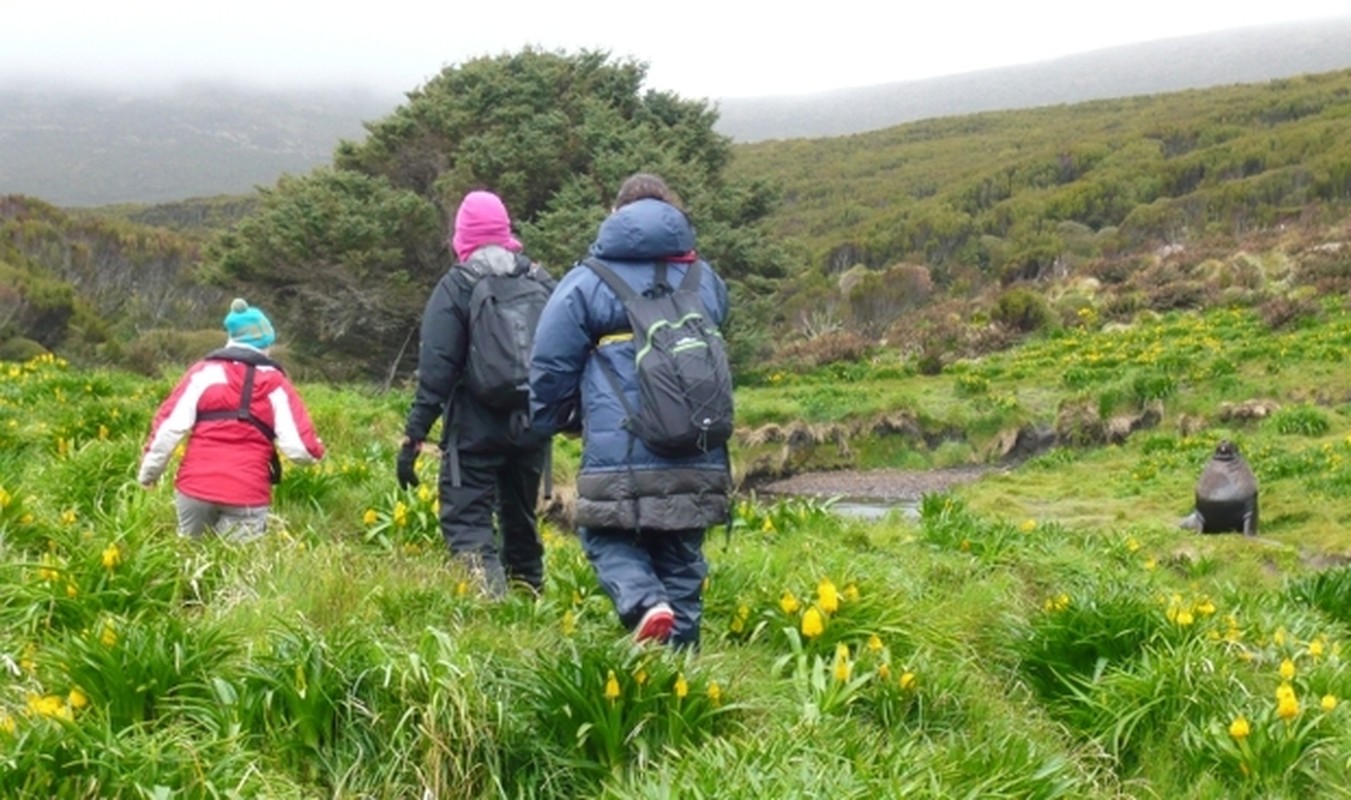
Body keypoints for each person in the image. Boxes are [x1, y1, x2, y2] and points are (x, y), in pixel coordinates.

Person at [529, 173, 732, 647]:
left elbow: (550, 363)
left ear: (616, 215)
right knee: (682, 563)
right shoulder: (706, 280)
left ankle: (643, 603)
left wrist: (556, 420)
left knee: (604, 535)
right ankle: (681, 690)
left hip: (619, 446)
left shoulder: (588, 281)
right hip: (697, 447)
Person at [398, 190, 555, 598]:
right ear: (506, 231)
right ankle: (529, 601)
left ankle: (490, 612)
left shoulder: (456, 286)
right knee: (520, 517)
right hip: (532, 425)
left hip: (473, 430)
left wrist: (415, 436)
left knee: (468, 522)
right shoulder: (539, 279)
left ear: (462, 235)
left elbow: (437, 370)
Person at [138, 298, 326, 541]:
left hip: (195, 490)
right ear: (265, 342)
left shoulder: (202, 373)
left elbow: (168, 428)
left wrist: (148, 474)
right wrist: (318, 451)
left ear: (232, 338)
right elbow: (301, 450)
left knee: (189, 560)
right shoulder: (275, 383)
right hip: (246, 494)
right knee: (237, 572)